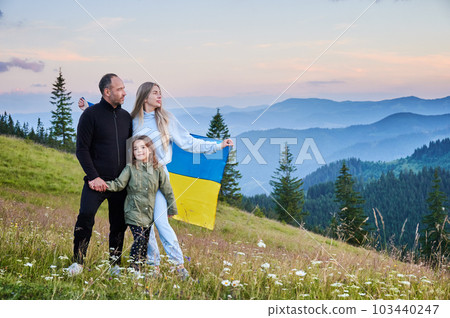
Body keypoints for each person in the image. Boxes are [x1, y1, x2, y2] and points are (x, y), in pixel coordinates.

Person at [78, 82, 234, 279]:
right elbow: (111, 122)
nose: (160, 96)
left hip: (158, 177)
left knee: (161, 222)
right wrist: (90, 107)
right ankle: (153, 267)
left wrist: (218, 145)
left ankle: (179, 267)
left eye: (160, 93)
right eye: (155, 93)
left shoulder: (167, 119)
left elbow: (189, 142)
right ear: (144, 97)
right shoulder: (132, 120)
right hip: (136, 178)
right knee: (145, 225)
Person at [67, 73, 132, 276]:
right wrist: (94, 177)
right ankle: (78, 263)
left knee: (119, 225)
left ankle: (115, 266)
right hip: (95, 182)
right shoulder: (90, 115)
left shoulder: (126, 117)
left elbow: (132, 149)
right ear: (107, 92)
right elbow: (82, 150)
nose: (124, 92)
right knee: (85, 217)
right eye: (120, 88)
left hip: (120, 184)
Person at [102, 135, 177, 274]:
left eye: (143, 147)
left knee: (144, 242)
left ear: (150, 149)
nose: (139, 150)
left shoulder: (158, 169)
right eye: (135, 148)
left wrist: (172, 208)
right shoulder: (130, 168)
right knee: (139, 239)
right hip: (133, 211)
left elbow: (167, 190)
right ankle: (133, 268)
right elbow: (119, 184)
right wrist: (102, 185)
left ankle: (139, 267)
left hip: (148, 213)